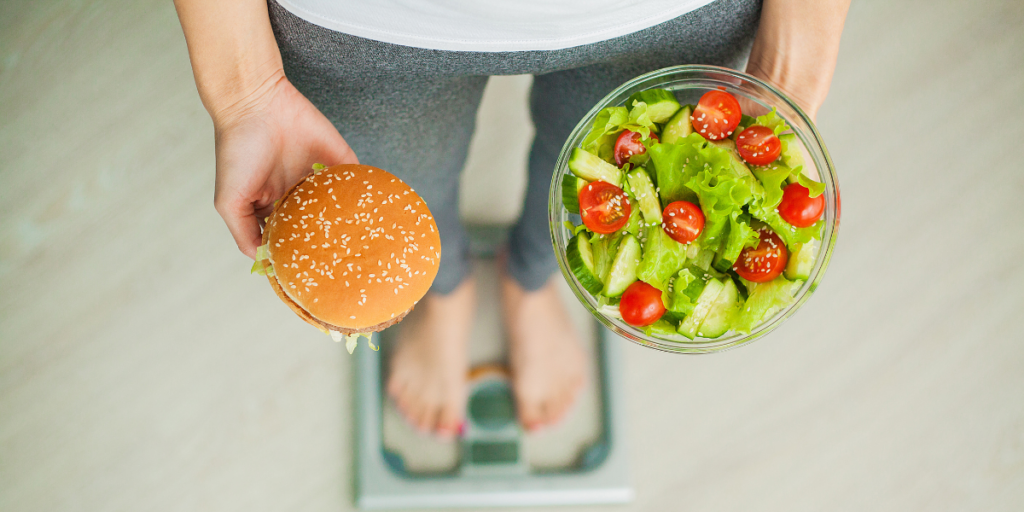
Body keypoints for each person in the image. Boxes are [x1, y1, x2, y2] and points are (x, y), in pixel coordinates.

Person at [173, 0, 850, 438]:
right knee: (400, 189)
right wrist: (245, 89)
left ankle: (532, 280)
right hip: (358, 24)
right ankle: (442, 292)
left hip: (671, 12)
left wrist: (795, 55)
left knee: (594, 196)